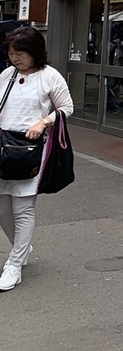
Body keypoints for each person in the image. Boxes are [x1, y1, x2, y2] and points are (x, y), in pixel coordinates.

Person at [0, 26, 73, 291]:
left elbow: (67, 107)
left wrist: (43, 122)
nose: (15, 58)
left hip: (29, 150)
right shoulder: (7, 75)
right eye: (10, 52)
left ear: (34, 53)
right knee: (2, 208)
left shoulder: (49, 76)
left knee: (23, 208)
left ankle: (15, 265)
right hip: (3, 147)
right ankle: (21, 246)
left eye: (20, 53)